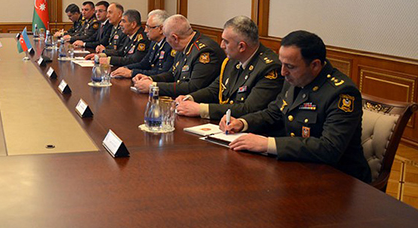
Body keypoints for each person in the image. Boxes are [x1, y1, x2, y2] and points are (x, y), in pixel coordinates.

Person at [220, 30, 371, 183]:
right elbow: (274, 113)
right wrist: (242, 123)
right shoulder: (295, 78)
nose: (282, 72)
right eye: (282, 64)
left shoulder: (342, 93)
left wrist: (268, 144)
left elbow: (329, 148)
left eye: (290, 66)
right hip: (299, 168)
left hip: (339, 179)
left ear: (315, 65)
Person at [175, 16, 283, 121]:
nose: (221, 45)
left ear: (241, 46)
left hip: (249, 128)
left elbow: (249, 109)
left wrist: (201, 109)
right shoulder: (233, 59)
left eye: (226, 42)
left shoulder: (269, 68)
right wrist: (189, 98)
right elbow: (215, 89)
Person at [132, 14, 224, 97]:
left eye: (166, 37)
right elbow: (172, 73)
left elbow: (193, 87)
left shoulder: (205, 52)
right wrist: (150, 79)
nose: (166, 41)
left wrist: (154, 86)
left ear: (175, 38)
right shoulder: (182, 45)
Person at [112, 9, 173, 78]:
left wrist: (132, 73)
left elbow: (162, 73)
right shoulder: (154, 43)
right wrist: (125, 68)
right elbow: (144, 64)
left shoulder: (170, 45)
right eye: (146, 26)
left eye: (149, 27)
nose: (145, 30)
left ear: (161, 29)